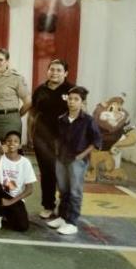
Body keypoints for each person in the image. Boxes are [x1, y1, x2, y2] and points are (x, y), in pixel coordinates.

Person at [47, 86, 102, 235]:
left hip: (77, 160)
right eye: (70, 99)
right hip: (61, 159)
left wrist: (81, 155)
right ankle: (62, 217)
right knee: (63, 190)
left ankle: (72, 222)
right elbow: (56, 138)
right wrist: (57, 152)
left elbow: (96, 142)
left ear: (82, 102)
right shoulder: (61, 119)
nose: (72, 102)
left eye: (76, 99)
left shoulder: (88, 121)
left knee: (75, 191)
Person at [30, 59, 74, 219]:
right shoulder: (40, 89)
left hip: (64, 139)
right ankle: (48, 205)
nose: (54, 73)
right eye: (52, 69)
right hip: (42, 138)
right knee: (47, 172)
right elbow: (33, 113)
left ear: (66, 73)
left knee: (64, 173)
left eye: (59, 70)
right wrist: (31, 134)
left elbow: (80, 113)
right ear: (47, 71)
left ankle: (65, 207)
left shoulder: (71, 90)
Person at [0, 48, 31, 164]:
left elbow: (28, 101)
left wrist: (16, 115)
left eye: (0, 60)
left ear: (7, 62)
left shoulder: (16, 78)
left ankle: (11, 182)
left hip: (10, 120)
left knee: (11, 156)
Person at [0, 131, 36, 232]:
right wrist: (0, 155)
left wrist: (10, 201)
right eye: (9, 141)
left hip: (14, 198)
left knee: (22, 227)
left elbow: (29, 189)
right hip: (0, 193)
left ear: (20, 145)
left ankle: (2, 212)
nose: (12, 143)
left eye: (15, 141)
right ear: (4, 143)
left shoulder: (25, 162)